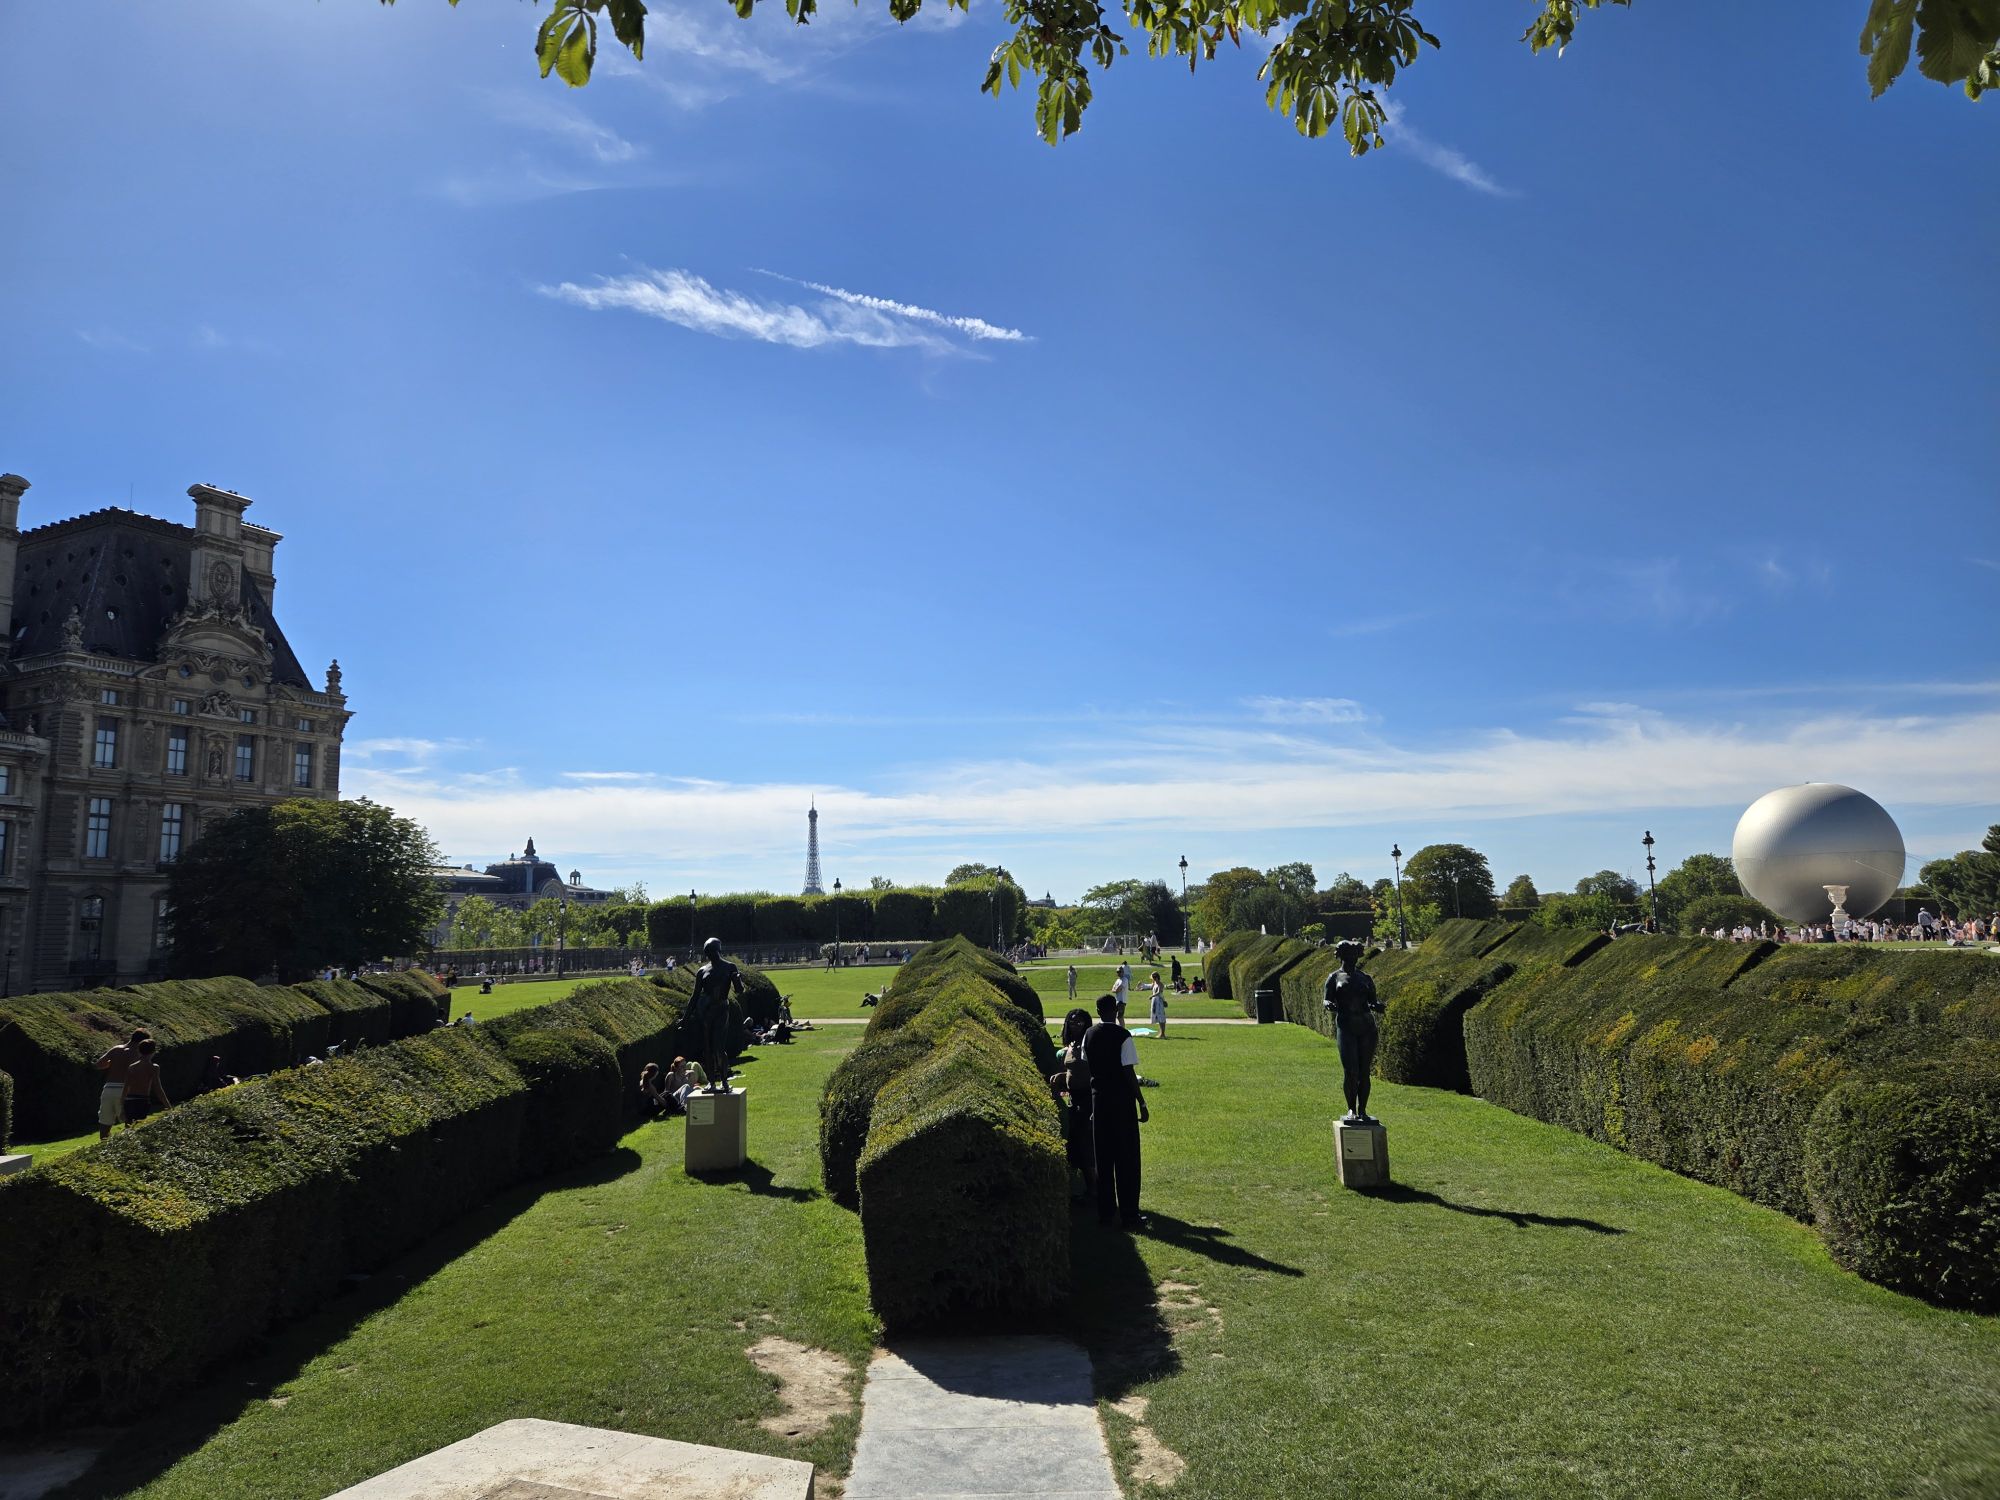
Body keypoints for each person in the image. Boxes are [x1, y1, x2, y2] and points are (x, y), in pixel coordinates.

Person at [1083, 994, 1149, 1228]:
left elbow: (1088, 1064)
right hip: (1121, 1102)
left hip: (1099, 1100)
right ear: (1116, 1010)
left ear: (1098, 1011)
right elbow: (1128, 1071)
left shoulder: (1089, 1034)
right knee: (1126, 1158)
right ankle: (1129, 1214)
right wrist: (1141, 1101)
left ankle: (1106, 1213)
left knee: (1103, 1159)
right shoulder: (1123, 1036)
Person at [1322, 940, 1385, 1122]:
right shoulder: (1334, 977)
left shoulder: (1365, 978)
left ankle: (1362, 1110)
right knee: (1351, 1071)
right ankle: (1351, 1109)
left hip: (1367, 1027)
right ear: (1341, 956)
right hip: (1346, 1027)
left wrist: (1377, 1005)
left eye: (1355, 955)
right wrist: (1328, 1004)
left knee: (1364, 1071)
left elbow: (1372, 1001)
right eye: (1348, 955)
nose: (1352, 959)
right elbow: (1326, 999)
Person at [1048, 1008, 1097, 1201]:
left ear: (1087, 1024)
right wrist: (1062, 1076)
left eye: (1080, 1022)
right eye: (1072, 1022)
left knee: (1086, 1146)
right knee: (1075, 1145)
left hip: (1088, 1100)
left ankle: (1095, 1190)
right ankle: (1089, 1188)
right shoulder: (1070, 1046)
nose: (1075, 1026)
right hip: (1074, 1100)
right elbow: (1072, 1072)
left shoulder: (1090, 1046)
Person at [690, 937, 746, 1090]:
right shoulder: (702, 971)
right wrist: (686, 1017)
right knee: (707, 1048)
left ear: (717, 951)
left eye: (711, 952)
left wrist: (738, 980)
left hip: (722, 1010)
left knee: (718, 1048)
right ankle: (712, 1082)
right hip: (706, 1012)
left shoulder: (730, 967)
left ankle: (724, 1081)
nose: (709, 955)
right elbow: (695, 996)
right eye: (707, 952)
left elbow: (739, 990)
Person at [93, 1029, 150, 1141]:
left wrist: (111, 1064)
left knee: (105, 1122)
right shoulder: (139, 1053)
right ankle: (127, 1146)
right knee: (130, 1122)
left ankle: (103, 1146)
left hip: (108, 1089)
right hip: (126, 1090)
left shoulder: (116, 1049)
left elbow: (98, 1064)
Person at [121, 1038, 170, 1125]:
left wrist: (121, 1106)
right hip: (142, 1100)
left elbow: (126, 1087)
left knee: (129, 1126)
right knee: (138, 1126)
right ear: (153, 1052)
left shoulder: (132, 1067)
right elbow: (158, 1088)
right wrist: (167, 1105)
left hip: (129, 1100)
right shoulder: (153, 1067)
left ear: (139, 1051)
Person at [1148, 969, 1167, 1037]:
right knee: (1158, 1018)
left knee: (1161, 1017)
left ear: (1156, 977)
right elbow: (1150, 986)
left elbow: (1159, 992)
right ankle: (1161, 1033)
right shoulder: (1155, 983)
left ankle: (1163, 1033)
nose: (1152, 979)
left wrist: (1152, 996)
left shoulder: (1160, 984)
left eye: (1153, 978)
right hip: (1155, 1002)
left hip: (1159, 1002)